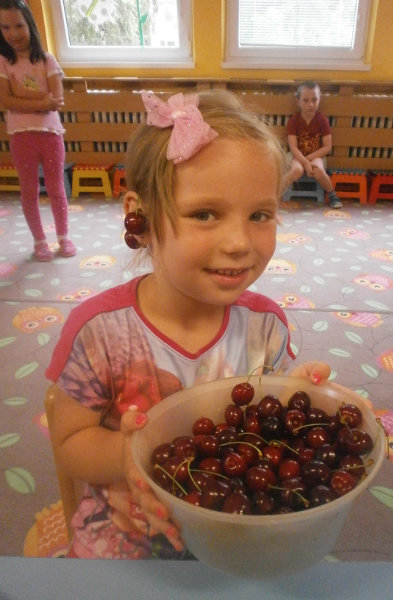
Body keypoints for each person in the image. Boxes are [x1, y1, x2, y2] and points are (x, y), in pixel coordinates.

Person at [45, 88, 331, 559]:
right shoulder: (98, 332)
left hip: (235, 534)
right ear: (139, 215)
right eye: (205, 214)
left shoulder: (266, 328)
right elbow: (69, 443)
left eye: (260, 214)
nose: (239, 243)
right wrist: (126, 455)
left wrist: (297, 400)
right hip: (129, 534)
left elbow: (267, 433)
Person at [0, 0, 76, 261]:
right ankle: (39, 241)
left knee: (56, 188)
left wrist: (20, 94)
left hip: (50, 135)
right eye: (5, 27)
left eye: (18, 25)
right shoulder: (3, 62)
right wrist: (41, 101)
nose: (13, 33)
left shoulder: (46, 59)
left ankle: (64, 237)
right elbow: (5, 101)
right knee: (29, 190)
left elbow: (56, 99)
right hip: (21, 137)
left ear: (30, 25)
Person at [285, 81, 342, 209]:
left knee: (319, 170)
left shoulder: (322, 120)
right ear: (298, 101)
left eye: (314, 100)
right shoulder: (294, 121)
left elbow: (327, 147)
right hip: (297, 156)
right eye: (305, 100)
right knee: (297, 170)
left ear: (319, 99)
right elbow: (293, 147)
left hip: (316, 156)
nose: (310, 104)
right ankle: (275, 192)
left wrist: (308, 159)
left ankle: (332, 194)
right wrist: (304, 162)